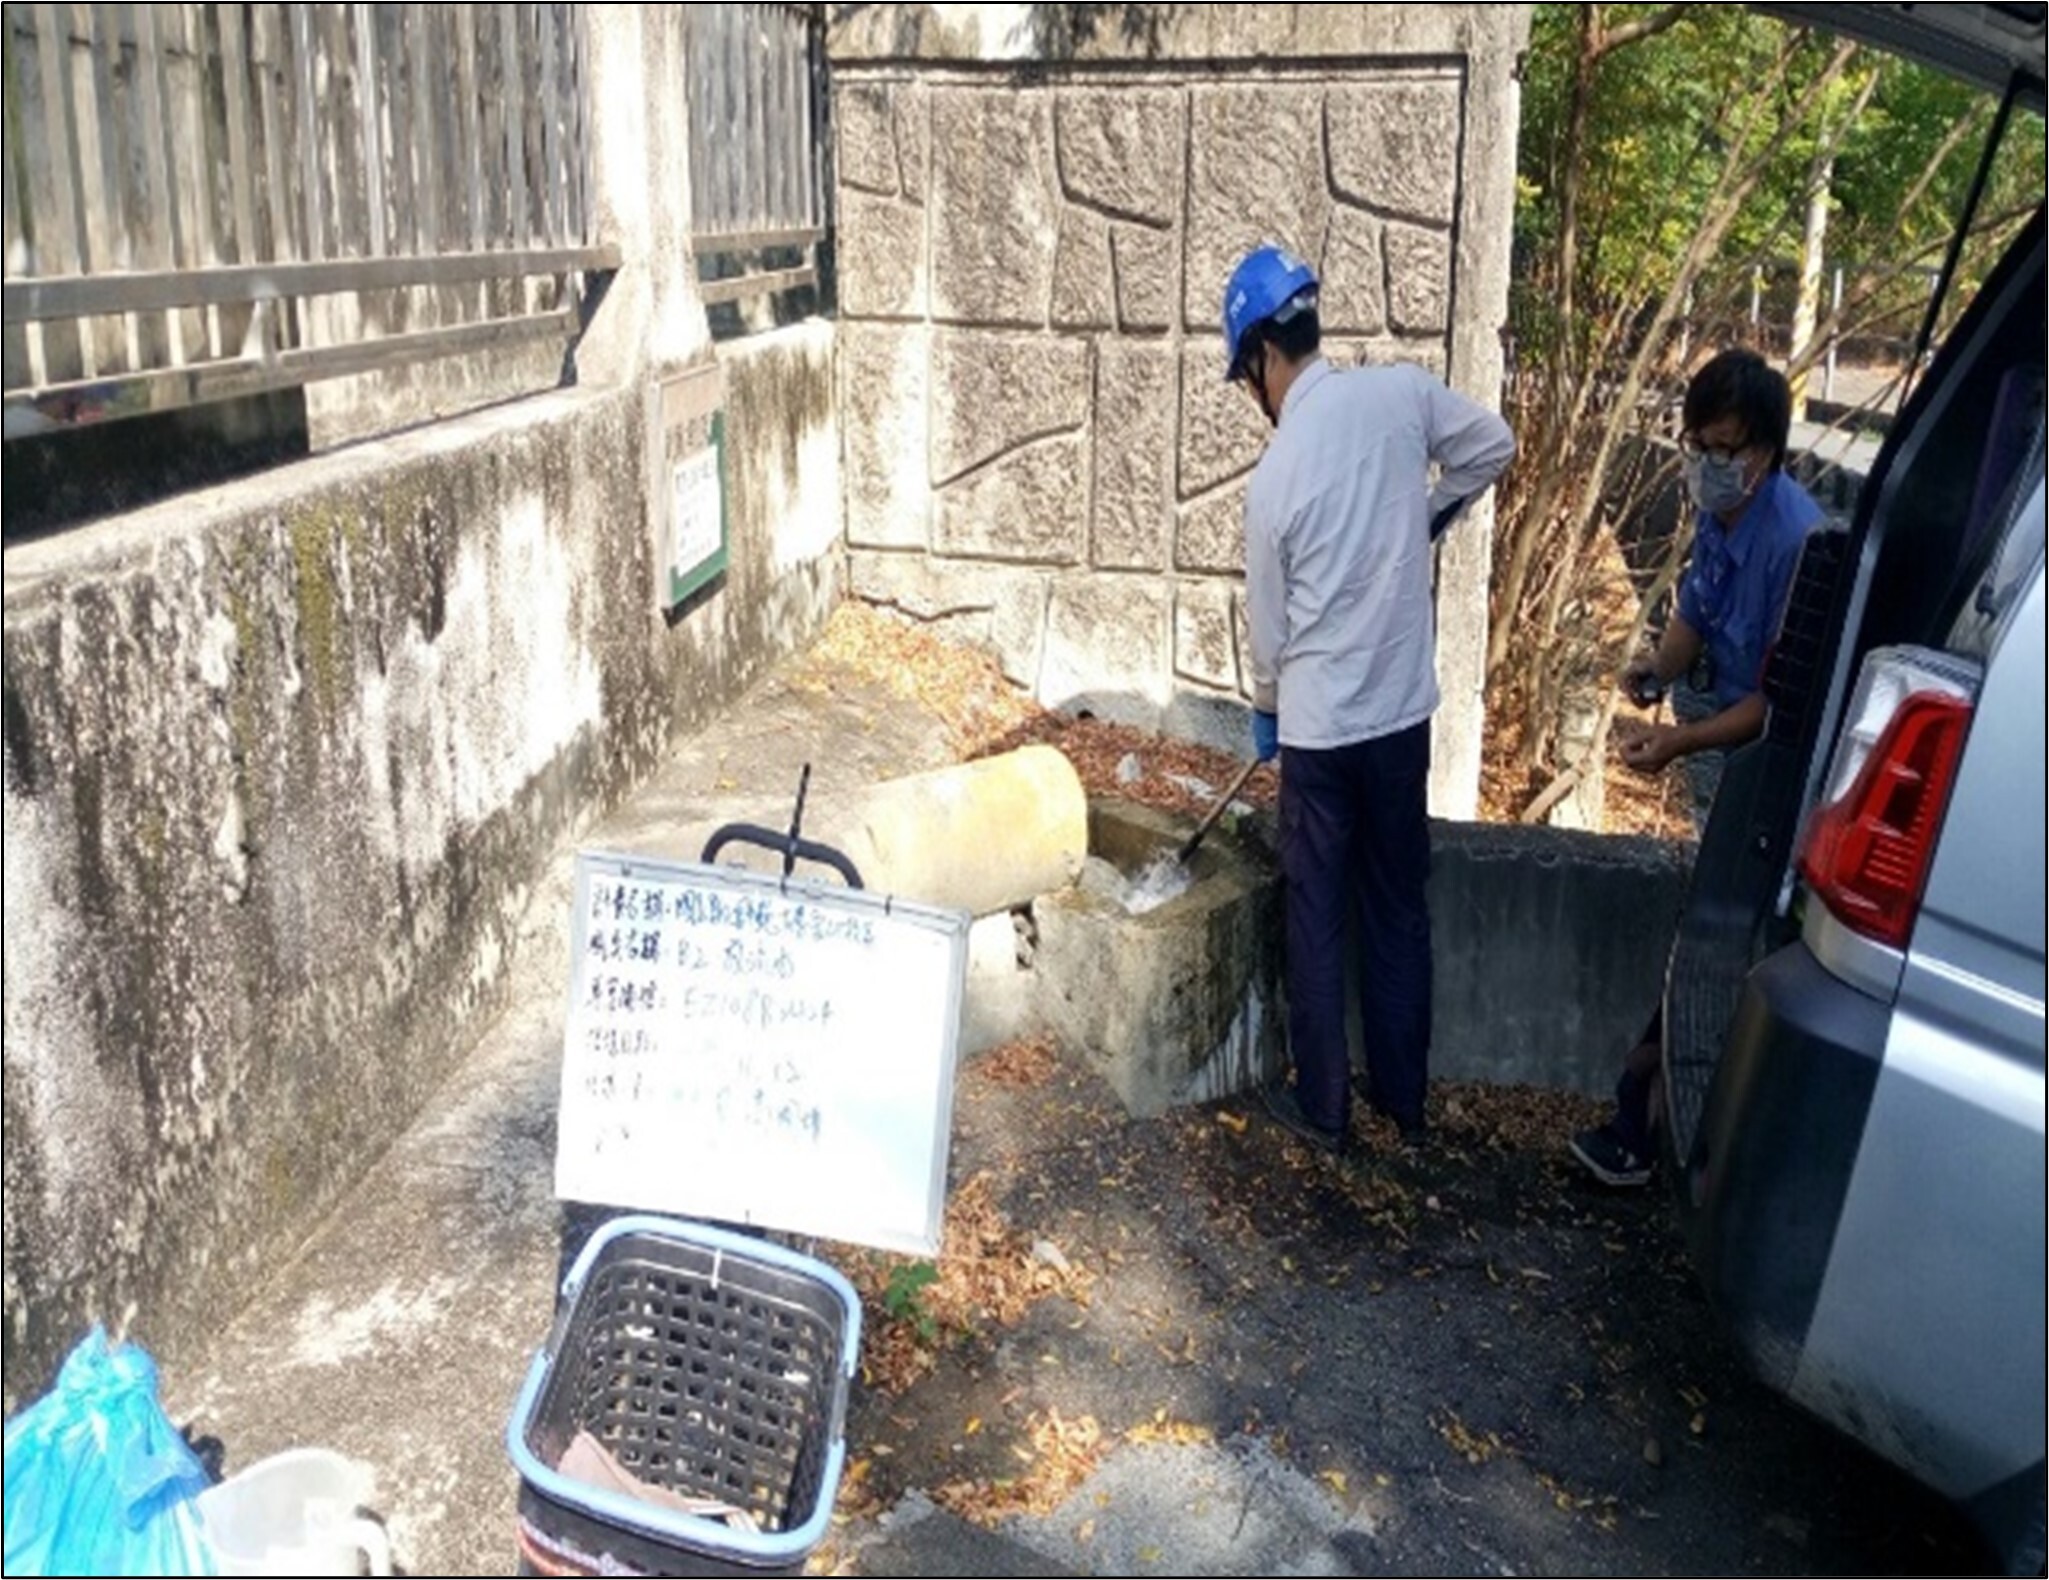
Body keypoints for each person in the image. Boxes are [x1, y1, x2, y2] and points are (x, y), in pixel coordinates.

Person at [1223, 243, 1516, 1158]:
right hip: (1397, 722)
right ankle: (1405, 1103)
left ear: (1266, 357)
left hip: (1316, 734)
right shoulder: (1399, 396)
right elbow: (1493, 449)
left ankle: (1326, 1114)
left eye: (1247, 378)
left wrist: (1267, 712)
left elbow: (1269, 638)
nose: (1254, 398)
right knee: (1396, 907)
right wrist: (1431, 510)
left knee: (1316, 914)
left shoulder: (1273, 481)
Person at [1570, 348, 1824, 1188]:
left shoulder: (1796, 542)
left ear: (1764, 454)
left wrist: (1679, 741)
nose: (1709, 466)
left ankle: (1639, 1127)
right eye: (1698, 446)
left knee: (1713, 943)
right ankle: (1646, 1127)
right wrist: (1656, 673)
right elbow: (1694, 614)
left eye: (1726, 451)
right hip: (1718, 758)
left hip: (1766, 778)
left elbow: (1775, 705)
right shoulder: (1720, 520)